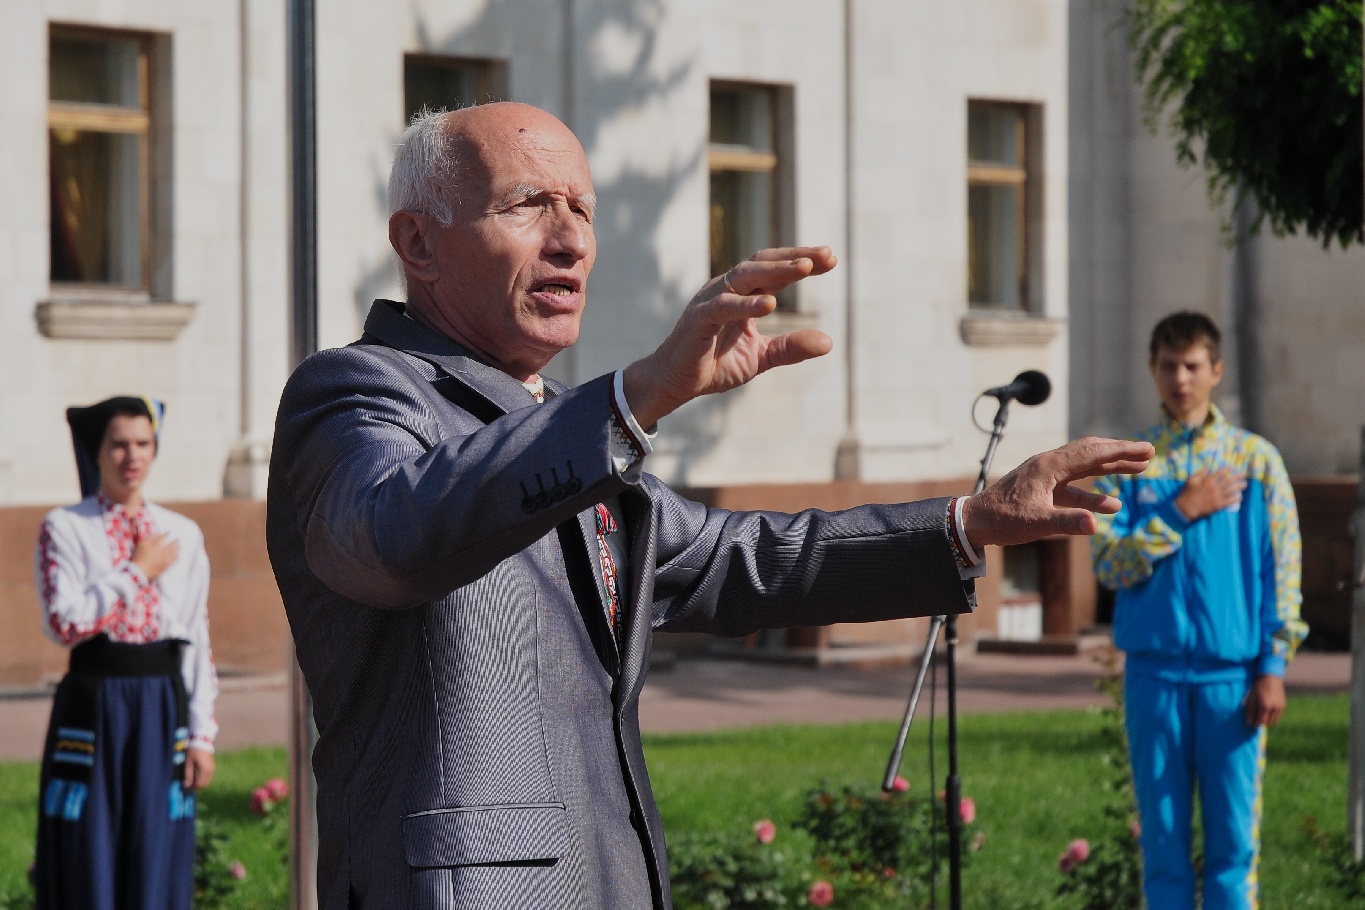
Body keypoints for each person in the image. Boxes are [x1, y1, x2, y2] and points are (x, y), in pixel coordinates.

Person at [266, 102, 1152, 910]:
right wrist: (633, 397)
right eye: (528, 204)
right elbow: (392, 535)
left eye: (583, 210)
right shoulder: (354, 394)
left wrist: (969, 523)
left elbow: (736, 560)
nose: (570, 240)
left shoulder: (564, 423)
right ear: (418, 243)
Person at [1092, 312, 1306, 910]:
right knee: (1161, 846)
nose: (1179, 379)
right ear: (1151, 369)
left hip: (1231, 681)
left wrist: (1272, 667)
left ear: (1216, 370)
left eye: (1192, 366)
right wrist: (1179, 511)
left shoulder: (1255, 461)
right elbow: (1108, 567)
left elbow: (1281, 571)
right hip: (1153, 677)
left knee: (1233, 847)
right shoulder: (1130, 464)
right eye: (1168, 366)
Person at [33, 396, 218, 910]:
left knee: (157, 845)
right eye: (118, 444)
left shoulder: (182, 534)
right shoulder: (66, 528)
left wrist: (201, 734)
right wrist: (136, 572)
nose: (131, 456)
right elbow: (64, 623)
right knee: (86, 846)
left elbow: (196, 638)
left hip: (162, 705)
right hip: (94, 706)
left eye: (143, 443)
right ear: (96, 451)